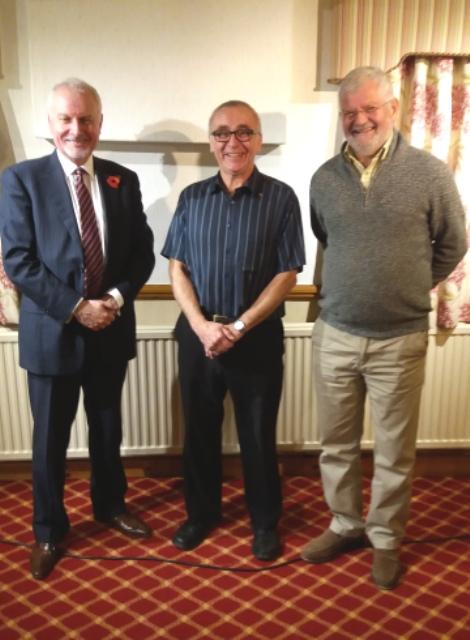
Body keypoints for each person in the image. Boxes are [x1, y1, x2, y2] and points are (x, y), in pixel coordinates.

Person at [301, 66, 467, 589]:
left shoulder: (430, 173)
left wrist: (414, 286)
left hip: (400, 338)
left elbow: (454, 243)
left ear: (393, 109)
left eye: (370, 108)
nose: (360, 119)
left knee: (395, 450)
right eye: (349, 111)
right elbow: (325, 237)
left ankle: (387, 538)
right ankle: (346, 524)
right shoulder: (324, 178)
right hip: (337, 334)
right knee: (337, 445)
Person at [0, 78, 155, 579]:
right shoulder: (21, 179)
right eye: (65, 119)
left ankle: (109, 505)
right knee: (50, 439)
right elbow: (19, 261)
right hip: (52, 334)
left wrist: (112, 299)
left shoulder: (121, 179)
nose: (76, 129)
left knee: (108, 428)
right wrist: (75, 308)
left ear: (100, 123)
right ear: (50, 125)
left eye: (85, 119)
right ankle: (48, 529)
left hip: (110, 327)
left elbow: (140, 254)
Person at [161, 100, 305, 561]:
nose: (232, 142)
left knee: (258, 434)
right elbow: (177, 268)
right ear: (211, 142)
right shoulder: (191, 199)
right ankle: (200, 514)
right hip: (198, 336)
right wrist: (202, 327)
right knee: (199, 432)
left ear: (259, 140)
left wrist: (239, 327)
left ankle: (265, 523)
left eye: (244, 132)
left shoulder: (281, 197)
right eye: (222, 133)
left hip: (256, 338)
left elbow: (288, 273)